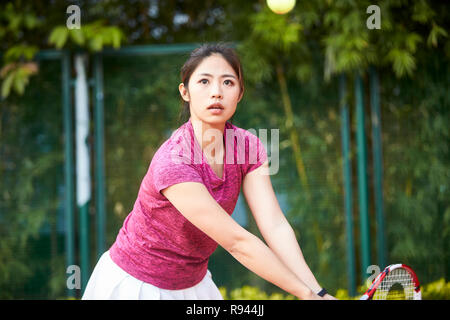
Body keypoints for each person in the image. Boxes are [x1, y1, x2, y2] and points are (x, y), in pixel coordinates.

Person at [82, 43, 335, 300]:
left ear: (240, 93)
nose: (216, 92)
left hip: (193, 284)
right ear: (185, 92)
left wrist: (318, 292)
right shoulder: (173, 160)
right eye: (204, 81)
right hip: (135, 286)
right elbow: (237, 243)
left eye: (228, 83)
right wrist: (307, 296)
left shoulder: (248, 146)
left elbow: (275, 225)